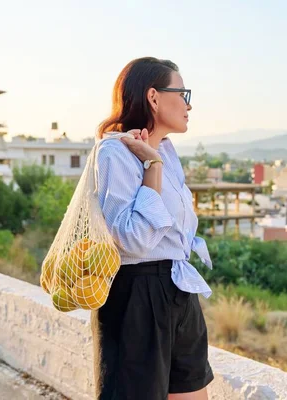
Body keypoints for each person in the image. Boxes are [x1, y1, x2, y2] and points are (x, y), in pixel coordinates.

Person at [91, 57, 214, 400]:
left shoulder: (168, 151)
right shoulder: (115, 152)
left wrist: (157, 158)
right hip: (137, 295)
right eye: (182, 92)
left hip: (178, 287)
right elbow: (132, 240)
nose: (189, 104)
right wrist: (152, 167)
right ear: (154, 97)